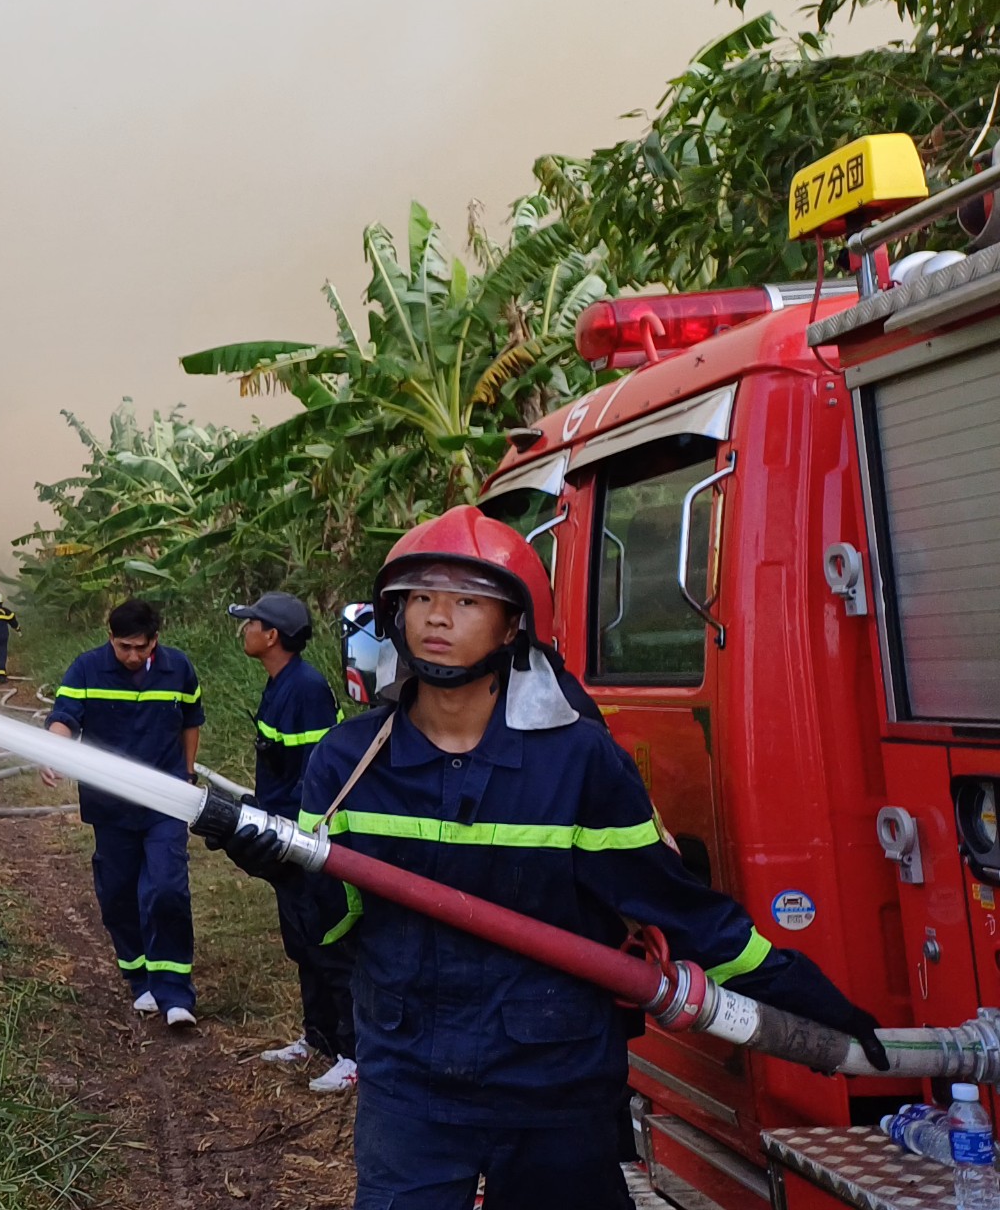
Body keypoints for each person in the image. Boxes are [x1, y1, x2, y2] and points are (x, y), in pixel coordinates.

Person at [210, 507, 884, 1209]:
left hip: (555, 1086)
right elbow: (334, 928)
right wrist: (281, 866)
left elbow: (673, 905)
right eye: (421, 599)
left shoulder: (578, 762)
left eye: (468, 601)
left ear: (513, 628)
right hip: (410, 1083)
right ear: (395, 617)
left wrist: (803, 993)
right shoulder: (349, 762)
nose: (438, 617)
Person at [42, 597, 202, 1026]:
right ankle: (140, 977)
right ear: (109, 639)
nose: (132, 656)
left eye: (141, 648)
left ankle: (175, 994)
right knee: (117, 893)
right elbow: (64, 717)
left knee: (166, 888)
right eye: (123, 647)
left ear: (155, 642)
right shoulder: (87, 669)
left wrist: (186, 773)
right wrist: (52, 752)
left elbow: (191, 719)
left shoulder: (179, 669)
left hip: (164, 801)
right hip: (110, 804)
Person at [229, 590, 356, 1093]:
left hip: (307, 839)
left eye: (251, 623)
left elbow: (317, 775)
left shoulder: (304, 690)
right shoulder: (279, 683)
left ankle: (352, 1054)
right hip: (282, 833)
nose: (245, 631)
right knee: (302, 943)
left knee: (328, 945)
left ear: (272, 635)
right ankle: (318, 1038)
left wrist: (293, 837)